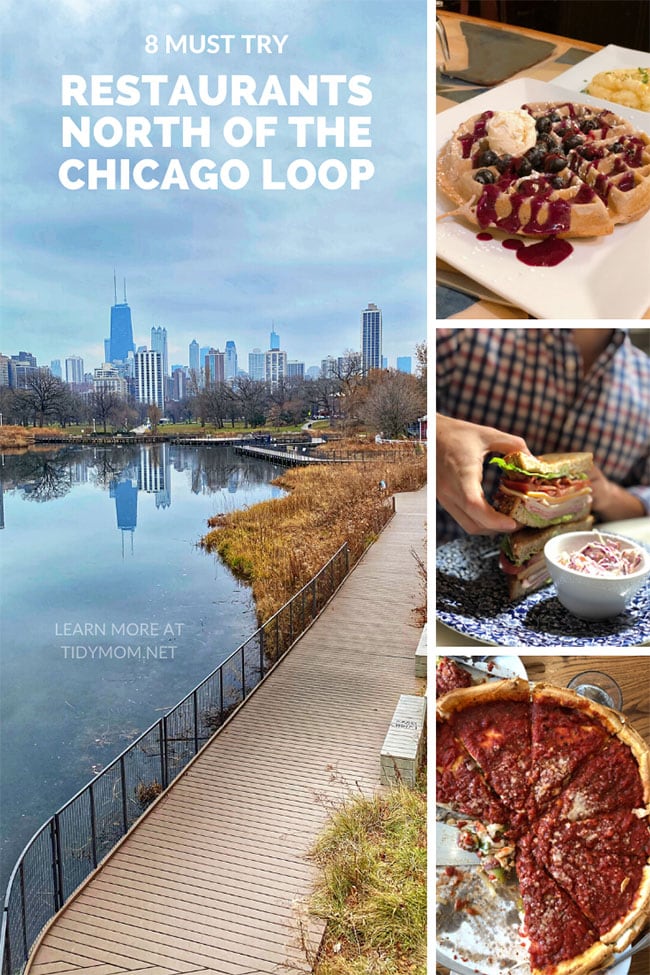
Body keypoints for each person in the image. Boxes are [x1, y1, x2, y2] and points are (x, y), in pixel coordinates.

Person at [437, 328, 650, 542]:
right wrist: (439, 433)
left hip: (584, 562)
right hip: (441, 550)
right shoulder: (467, 331)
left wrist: (608, 495)